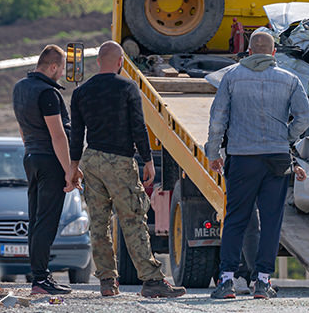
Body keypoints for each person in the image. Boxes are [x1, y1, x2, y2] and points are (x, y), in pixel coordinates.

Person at [67, 41, 186, 299]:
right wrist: (148, 160)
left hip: (92, 161)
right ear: (120, 62)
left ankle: (107, 281)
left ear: (98, 61)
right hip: (120, 161)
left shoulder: (81, 92)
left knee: (99, 223)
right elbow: (138, 126)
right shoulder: (128, 87)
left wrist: (73, 167)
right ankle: (152, 280)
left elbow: (76, 134)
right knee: (132, 220)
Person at [206, 31, 309, 300]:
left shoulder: (232, 77)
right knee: (271, 221)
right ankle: (263, 282)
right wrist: (285, 137)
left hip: (242, 158)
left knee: (236, 219)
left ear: (250, 51)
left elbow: (218, 118)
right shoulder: (289, 79)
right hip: (276, 158)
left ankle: (227, 281)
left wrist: (213, 152)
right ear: (274, 52)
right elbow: (305, 117)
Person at [12, 45, 76, 296]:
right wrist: (69, 170)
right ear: (52, 67)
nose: (61, 74)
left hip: (31, 156)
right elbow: (58, 135)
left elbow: (22, 127)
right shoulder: (48, 93)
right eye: (61, 69)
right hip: (50, 160)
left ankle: (38, 276)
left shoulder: (20, 88)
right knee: (47, 222)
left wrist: (30, 150)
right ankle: (41, 279)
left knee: (36, 219)